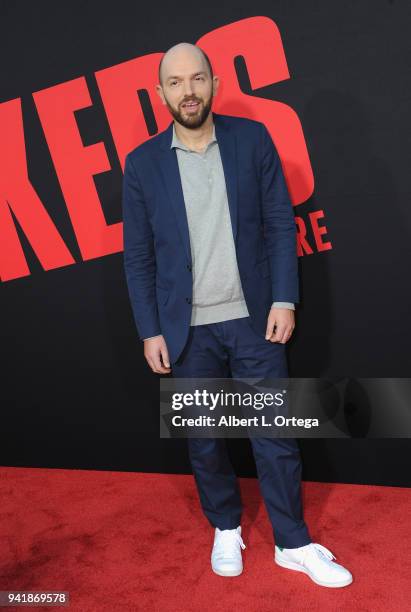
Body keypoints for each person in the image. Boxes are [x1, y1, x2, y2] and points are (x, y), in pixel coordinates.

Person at [122, 41, 352, 588]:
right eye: (175, 82)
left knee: (274, 435)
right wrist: (149, 328)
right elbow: (138, 255)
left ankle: (293, 543)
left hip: (254, 320)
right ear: (160, 95)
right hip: (186, 329)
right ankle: (226, 526)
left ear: (215, 84)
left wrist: (283, 299)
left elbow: (279, 224)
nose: (188, 91)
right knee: (205, 439)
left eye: (197, 78)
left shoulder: (252, 140)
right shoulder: (142, 164)